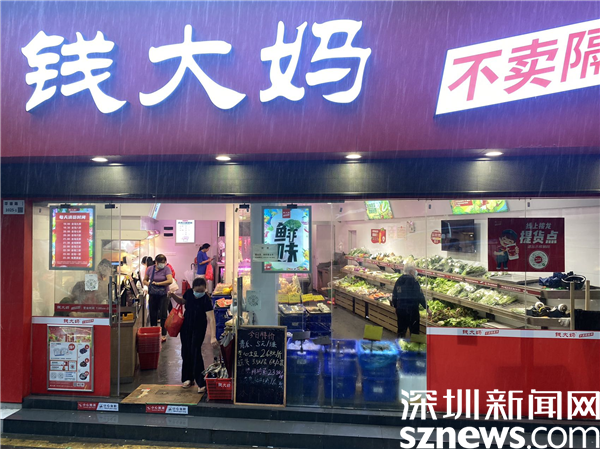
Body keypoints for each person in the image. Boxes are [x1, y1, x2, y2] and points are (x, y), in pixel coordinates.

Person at [169, 277, 218, 394]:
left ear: (205, 289)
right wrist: (173, 295)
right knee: (186, 351)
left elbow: (211, 319)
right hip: (186, 326)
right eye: (197, 290)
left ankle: (201, 382)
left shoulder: (206, 300)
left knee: (196, 352)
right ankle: (187, 378)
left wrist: (213, 336)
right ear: (193, 288)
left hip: (199, 328)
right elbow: (182, 301)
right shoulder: (189, 293)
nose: (199, 293)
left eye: (202, 291)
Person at [392, 264, 431, 338]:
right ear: (410, 271)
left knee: (401, 331)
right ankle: (414, 345)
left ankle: (400, 344)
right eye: (414, 270)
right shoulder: (413, 281)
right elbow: (420, 296)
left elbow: (394, 295)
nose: (415, 272)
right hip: (412, 310)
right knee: (414, 332)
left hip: (401, 309)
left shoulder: (399, 280)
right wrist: (427, 308)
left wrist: (395, 306)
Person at [144, 254, 173, 342]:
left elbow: (170, 280)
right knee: (153, 313)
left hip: (163, 294)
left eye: (163, 262)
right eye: (160, 263)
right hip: (153, 294)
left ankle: (163, 334)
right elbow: (144, 280)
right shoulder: (150, 269)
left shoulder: (166, 269)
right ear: (156, 262)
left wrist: (158, 284)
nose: (162, 264)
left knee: (163, 314)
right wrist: (150, 284)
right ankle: (154, 331)